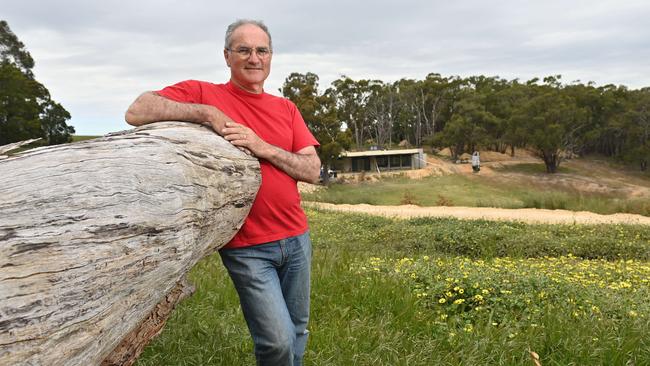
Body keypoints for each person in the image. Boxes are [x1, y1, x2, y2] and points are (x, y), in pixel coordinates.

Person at [125, 19, 320, 366]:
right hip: (247, 247)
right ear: (227, 56)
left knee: (298, 331)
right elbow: (137, 110)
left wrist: (265, 148)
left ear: (271, 56)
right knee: (277, 341)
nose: (253, 58)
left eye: (261, 50)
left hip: (296, 238)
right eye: (243, 50)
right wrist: (206, 114)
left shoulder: (286, 109)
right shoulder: (205, 94)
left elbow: (312, 169)